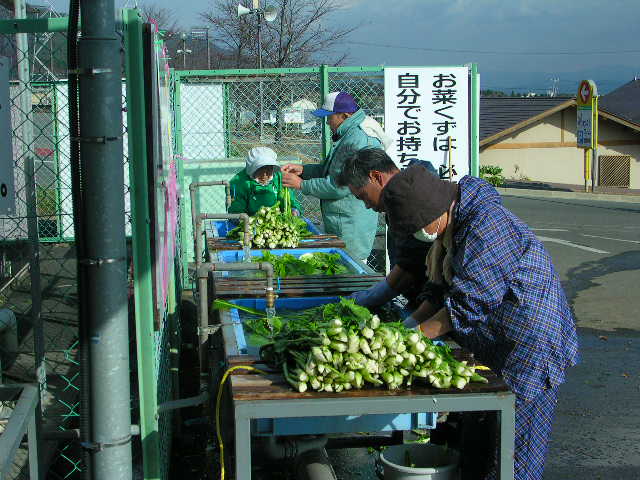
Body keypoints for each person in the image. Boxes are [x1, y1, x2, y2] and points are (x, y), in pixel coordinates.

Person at [339, 160, 580, 480]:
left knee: (513, 451)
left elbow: (468, 303)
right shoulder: (453, 223)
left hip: (529, 349)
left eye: (417, 228)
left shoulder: (486, 225)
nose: (420, 236)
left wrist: (410, 341)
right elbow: (439, 291)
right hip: (494, 345)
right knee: (478, 444)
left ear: (432, 215)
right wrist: (407, 326)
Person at [281, 91, 391, 261]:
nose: (327, 122)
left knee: (350, 271)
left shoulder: (356, 139)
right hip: (343, 221)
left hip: (350, 225)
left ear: (344, 115)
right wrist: (304, 170)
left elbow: (339, 185)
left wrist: (301, 185)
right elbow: (333, 170)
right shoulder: (350, 133)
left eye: (329, 117)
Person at [334, 148, 437, 308]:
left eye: (363, 196)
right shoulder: (395, 206)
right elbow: (408, 261)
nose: (367, 205)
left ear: (376, 177)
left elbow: (409, 268)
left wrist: (370, 298)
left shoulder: (416, 204)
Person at [228, 146, 302, 217]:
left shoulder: (279, 178)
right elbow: (235, 211)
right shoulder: (238, 182)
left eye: (268, 168)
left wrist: (294, 210)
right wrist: (246, 220)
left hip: (277, 220)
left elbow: (291, 201)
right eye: (260, 169)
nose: (264, 174)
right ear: (252, 169)